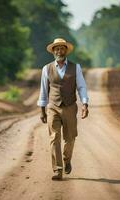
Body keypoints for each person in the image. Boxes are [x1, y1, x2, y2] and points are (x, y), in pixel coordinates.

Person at [37, 38, 89, 180]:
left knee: (70, 138)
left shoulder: (75, 67)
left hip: (70, 107)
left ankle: (67, 160)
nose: (59, 51)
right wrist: (42, 109)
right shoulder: (46, 69)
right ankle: (57, 170)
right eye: (57, 49)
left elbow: (81, 87)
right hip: (53, 107)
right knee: (54, 138)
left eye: (62, 48)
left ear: (66, 51)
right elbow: (43, 89)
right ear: (53, 52)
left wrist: (85, 103)